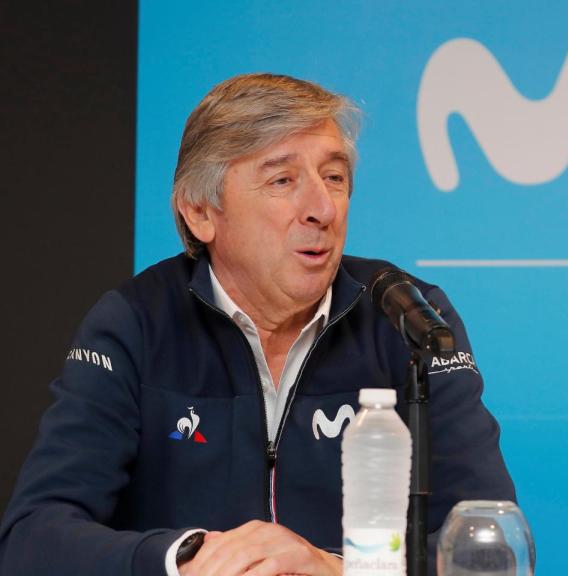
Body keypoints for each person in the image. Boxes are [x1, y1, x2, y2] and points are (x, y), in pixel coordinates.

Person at [0, 73, 516, 576]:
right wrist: (190, 560)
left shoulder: (405, 317)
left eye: (334, 178)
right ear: (201, 212)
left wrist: (335, 568)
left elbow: (490, 545)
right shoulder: (136, 323)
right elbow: (31, 539)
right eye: (282, 180)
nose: (322, 209)